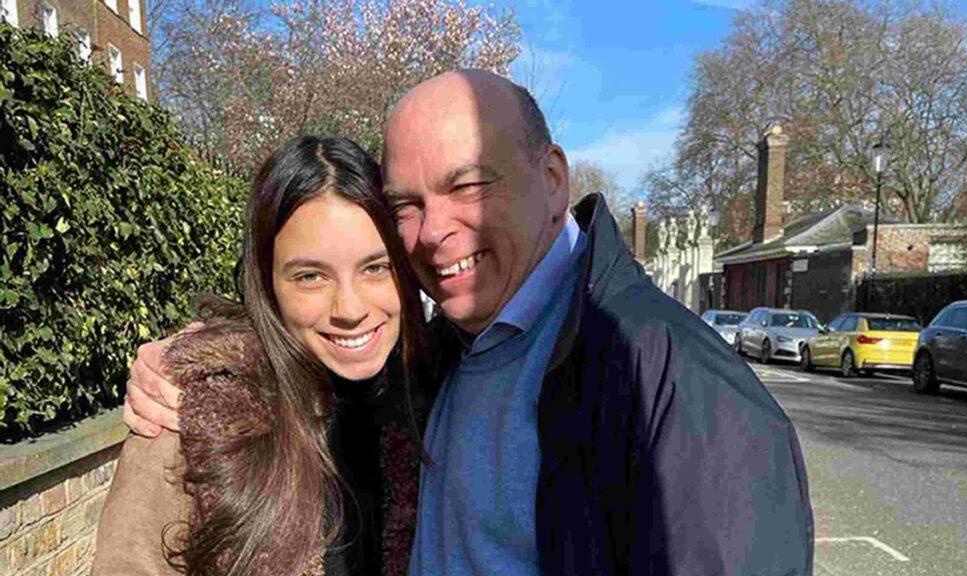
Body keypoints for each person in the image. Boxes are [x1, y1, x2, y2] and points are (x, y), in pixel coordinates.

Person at [125, 70, 815, 575]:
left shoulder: (669, 379)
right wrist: (195, 361)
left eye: (468, 186)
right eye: (408, 205)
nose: (435, 232)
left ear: (551, 178)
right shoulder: (451, 351)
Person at [93, 136, 426, 576]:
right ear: (267, 284)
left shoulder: (440, 392)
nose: (351, 309)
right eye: (310, 276)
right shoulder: (191, 421)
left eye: (375, 268)